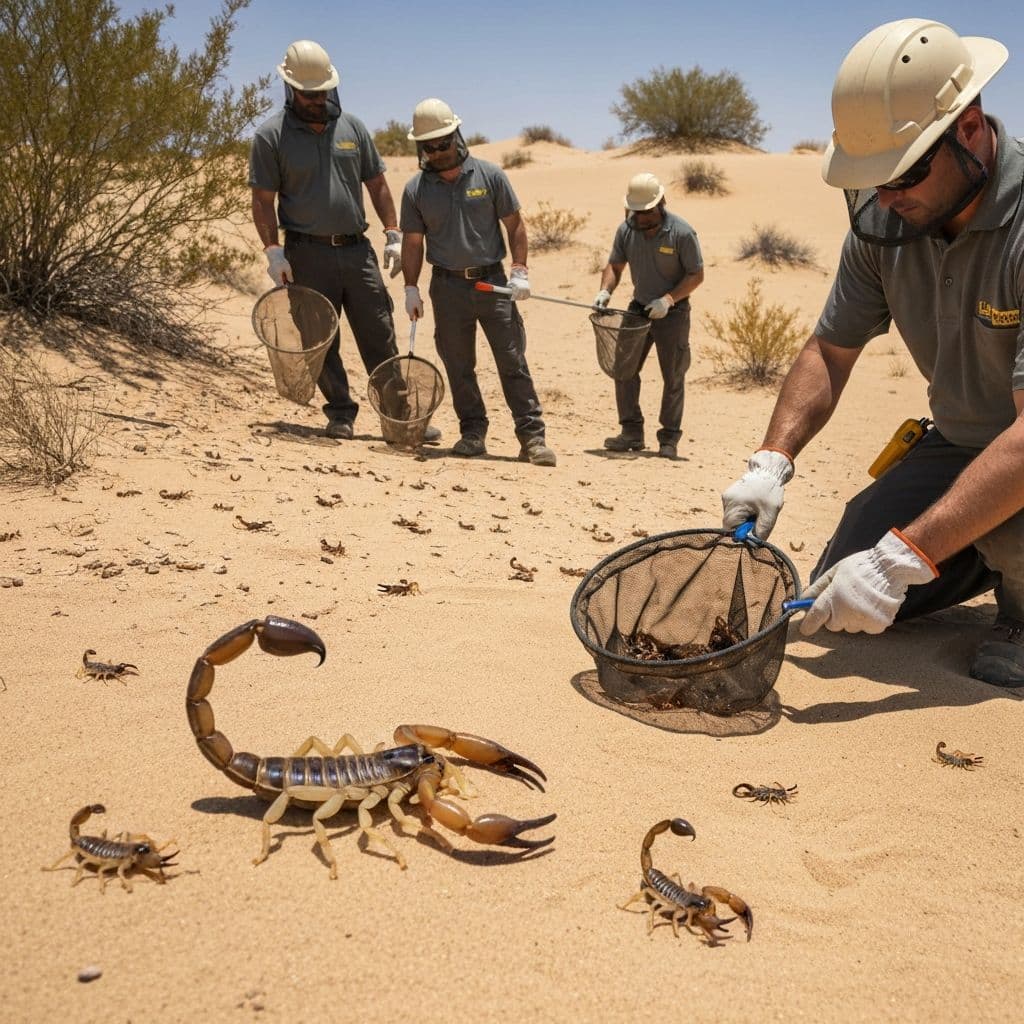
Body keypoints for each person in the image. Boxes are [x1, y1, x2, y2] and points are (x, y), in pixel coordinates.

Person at [720, 18, 1024, 686]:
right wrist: (771, 461)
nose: (887, 197)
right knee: (847, 574)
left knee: (971, 547)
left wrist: (906, 555)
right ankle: (979, 544)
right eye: (873, 179)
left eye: (904, 173)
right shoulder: (888, 217)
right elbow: (830, 350)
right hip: (961, 441)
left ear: (969, 128)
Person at [249, 40, 439, 444]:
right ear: (290, 89)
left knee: (379, 331)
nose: (318, 100)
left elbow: (378, 184)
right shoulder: (271, 137)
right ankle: (339, 412)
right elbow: (262, 201)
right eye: (309, 94)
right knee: (319, 337)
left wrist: (392, 232)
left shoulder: (352, 128)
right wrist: (273, 252)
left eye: (322, 92)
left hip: (357, 251)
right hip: (305, 253)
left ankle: (398, 414)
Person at [399, 98, 556, 467]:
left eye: (443, 143)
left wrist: (520, 270)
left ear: (457, 135)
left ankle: (532, 437)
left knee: (512, 360)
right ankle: (472, 432)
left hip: (493, 284)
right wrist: (410, 287)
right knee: (458, 364)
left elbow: (515, 225)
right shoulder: (415, 190)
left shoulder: (490, 175)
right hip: (447, 288)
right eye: (429, 147)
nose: (437, 152)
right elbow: (413, 241)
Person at [594, 173, 704, 460]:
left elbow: (696, 275)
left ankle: (669, 439)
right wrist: (605, 291)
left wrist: (668, 300)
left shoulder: (682, 233)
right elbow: (615, 266)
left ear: (661, 204)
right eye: (637, 212)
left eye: (648, 212)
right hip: (639, 309)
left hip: (673, 312)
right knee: (623, 369)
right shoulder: (626, 231)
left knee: (673, 375)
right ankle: (631, 432)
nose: (642, 218)